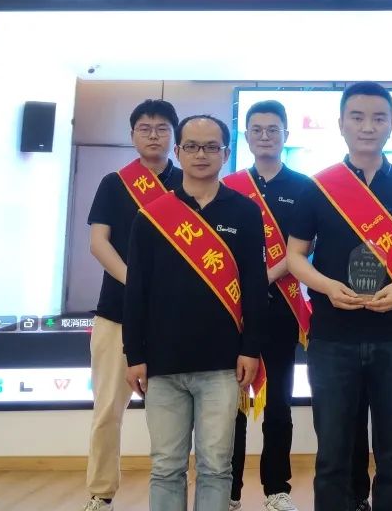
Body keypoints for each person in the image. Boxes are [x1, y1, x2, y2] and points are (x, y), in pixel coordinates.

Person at [287, 82, 392, 511]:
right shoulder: (317, 187)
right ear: (341, 124)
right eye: (357, 117)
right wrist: (326, 286)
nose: (367, 126)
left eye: (378, 118)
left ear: (391, 125)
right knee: (332, 454)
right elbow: (295, 255)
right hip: (333, 336)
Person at [123, 115, 270, 511]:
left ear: (225, 153)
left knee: (216, 467)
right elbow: (136, 291)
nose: (200, 154)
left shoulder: (245, 212)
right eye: (191, 146)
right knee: (166, 467)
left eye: (210, 147)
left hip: (223, 364)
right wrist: (134, 354)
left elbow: (255, 287)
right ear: (178, 151)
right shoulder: (152, 215)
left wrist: (251, 349)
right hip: (162, 363)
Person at [81, 100, 183, 511]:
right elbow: (98, 242)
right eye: (145, 128)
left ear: (175, 135)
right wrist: (137, 283)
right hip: (117, 313)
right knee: (108, 409)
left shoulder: (191, 182)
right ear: (132, 135)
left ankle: (171, 495)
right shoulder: (114, 183)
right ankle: (101, 493)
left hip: (175, 317)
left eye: (162, 128)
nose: (153, 135)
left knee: (175, 414)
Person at [224, 101, 314, 511]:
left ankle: (277, 489)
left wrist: (265, 276)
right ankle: (229, 491)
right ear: (246, 137)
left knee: (279, 403)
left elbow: (304, 248)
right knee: (233, 406)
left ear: (285, 135)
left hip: (283, 309)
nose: (265, 136)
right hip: (235, 310)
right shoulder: (229, 186)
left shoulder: (304, 187)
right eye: (256, 130)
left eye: (272, 129)